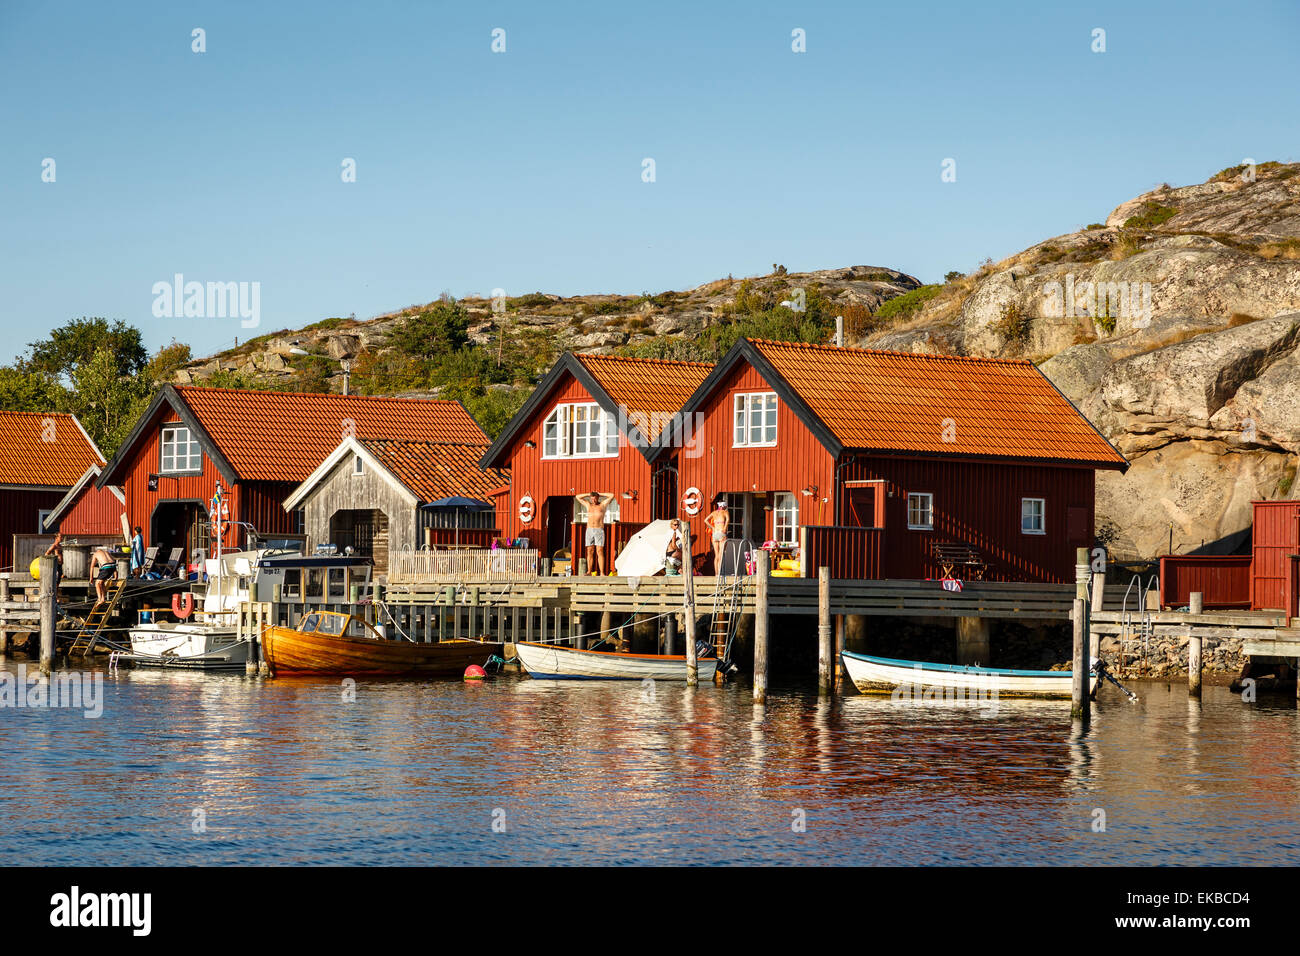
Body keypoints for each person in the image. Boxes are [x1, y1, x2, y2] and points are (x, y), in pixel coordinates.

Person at [581, 491, 615, 576]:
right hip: (589, 530)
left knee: (599, 551)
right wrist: (587, 494)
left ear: (597, 498)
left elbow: (612, 495)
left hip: (599, 529)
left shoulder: (602, 505)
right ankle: (589, 571)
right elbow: (578, 497)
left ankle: (602, 572)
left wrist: (601, 493)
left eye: (595, 498)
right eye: (592, 498)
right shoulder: (588, 505)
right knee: (589, 551)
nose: (593, 500)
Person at [703, 499, 730, 572]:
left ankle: (716, 574)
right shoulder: (725, 512)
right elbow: (727, 520)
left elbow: (705, 520)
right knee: (721, 555)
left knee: (716, 555)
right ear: (724, 506)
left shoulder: (714, 513)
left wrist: (712, 527)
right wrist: (724, 528)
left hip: (715, 533)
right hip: (721, 532)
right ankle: (720, 573)